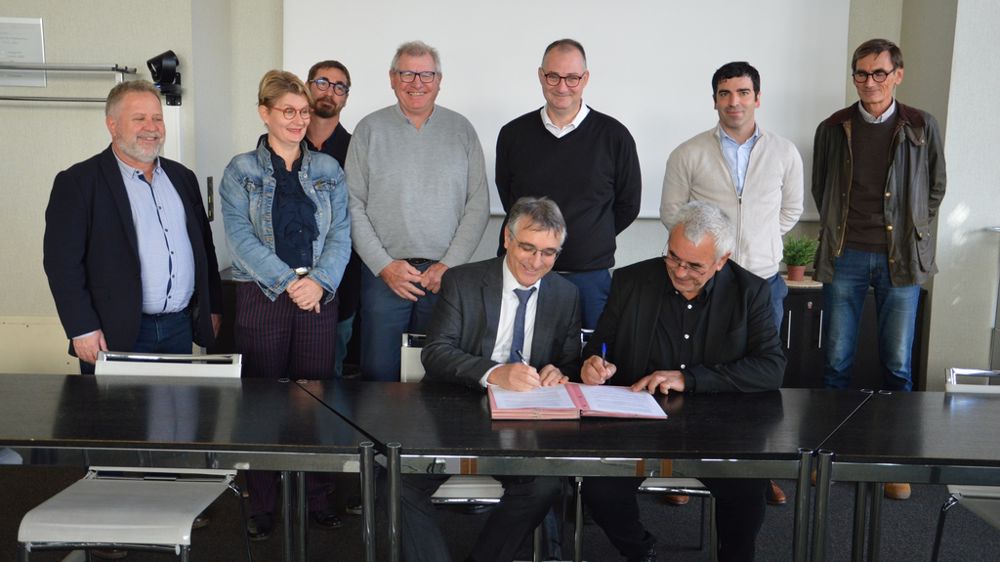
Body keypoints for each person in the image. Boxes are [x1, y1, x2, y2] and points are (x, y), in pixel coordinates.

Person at [579, 201, 785, 562]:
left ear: (721, 261)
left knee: (747, 492)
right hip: (638, 422)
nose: (679, 271)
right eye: (673, 257)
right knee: (599, 489)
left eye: (694, 265)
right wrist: (593, 365)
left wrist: (689, 379)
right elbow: (599, 348)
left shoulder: (749, 291)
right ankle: (640, 549)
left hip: (719, 426)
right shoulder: (631, 281)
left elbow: (771, 367)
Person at [404, 196, 579, 562]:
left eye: (548, 253)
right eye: (528, 247)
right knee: (396, 482)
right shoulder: (463, 281)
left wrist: (559, 372)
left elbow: (568, 362)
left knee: (544, 485)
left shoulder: (566, 294)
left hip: (525, 424)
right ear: (507, 239)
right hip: (454, 413)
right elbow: (435, 352)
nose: (536, 262)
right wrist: (494, 372)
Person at [660, 60, 803, 506]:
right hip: (705, 282)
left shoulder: (784, 152)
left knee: (756, 381)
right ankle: (682, 469)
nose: (734, 101)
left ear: (757, 98)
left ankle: (757, 473)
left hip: (763, 281)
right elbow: (672, 214)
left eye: (742, 93)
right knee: (694, 370)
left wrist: (757, 245)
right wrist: (715, 256)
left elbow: (791, 210)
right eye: (725, 93)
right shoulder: (688, 153)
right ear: (715, 100)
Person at [812, 39, 946, 501]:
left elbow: (935, 187)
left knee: (897, 367)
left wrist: (912, 228)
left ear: (897, 75)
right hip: (845, 256)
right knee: (835, 363)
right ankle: (829, 459)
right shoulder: (833, 127)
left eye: (879, 73)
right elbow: (822, 188)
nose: (869, 82)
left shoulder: (921, 125)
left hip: (900, 260)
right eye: (861, 73)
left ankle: (894, 464)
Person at [220, 69, 351, 539]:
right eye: (287, 111)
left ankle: (317, 495)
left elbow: (341, 234)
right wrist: (287, 282)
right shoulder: (241, 170)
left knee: (314, 400)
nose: (298, 120)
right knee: (263, 402)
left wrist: (318, 282)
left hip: (318, 296)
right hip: (262, 295)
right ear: (265, 112)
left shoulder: (328, 170)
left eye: (303, 112)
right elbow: (239, 239)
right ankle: (262, 503)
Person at [43, 80, 222, 375]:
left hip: (179, 328)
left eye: (157, 118)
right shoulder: (78, 182)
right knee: (117, 408)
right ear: (112, 125)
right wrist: (81, 328)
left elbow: (205, 248)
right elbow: (62, 265)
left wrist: (212, 307)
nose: (151, 128)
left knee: (179, 405)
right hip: (114, 333)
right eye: (139, 118)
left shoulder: (183, 178)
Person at [346, 40, 489, 381]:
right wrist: (384, 266)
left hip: (445, 280)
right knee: (378, 376)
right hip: (384, 276)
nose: (417, 83)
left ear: (439, 80)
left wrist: (449, 265)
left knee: (438, 377)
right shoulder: (369, 130)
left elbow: (478, 203)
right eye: (407, 74)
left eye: (426, 75)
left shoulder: (462, 130)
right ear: (392, 78)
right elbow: (351, 204)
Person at [495, 38, 641, 329]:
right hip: (523, 273)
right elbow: (510, 198)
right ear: (541, 76)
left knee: (589, 354)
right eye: (553, 76)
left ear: (585, 79)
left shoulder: (615, 136)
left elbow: (628, 204)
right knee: (518, 351)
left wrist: (591, 235)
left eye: (572, 78)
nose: (562, 87)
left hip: (588, 279)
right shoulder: (513, 134)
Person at [304, 59, 361, 378]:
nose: (330, 92)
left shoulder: (357, 150)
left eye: (340, 87)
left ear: (346, 98)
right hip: (287, 279)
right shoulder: (278, 142)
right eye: (323, 82)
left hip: (341, 280)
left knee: (330, 373)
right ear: (307, 87)